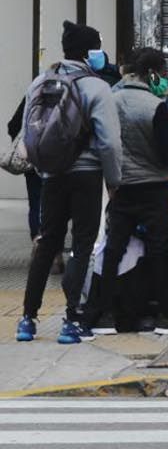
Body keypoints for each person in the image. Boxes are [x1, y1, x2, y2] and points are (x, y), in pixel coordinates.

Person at [16, 21, 121, 344]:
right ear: (91, 52)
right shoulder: (95, 86)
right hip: (87, 176)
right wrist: (114, 180)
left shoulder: (40, 81)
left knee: (47, 243)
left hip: (51, 176)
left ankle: (27, 320)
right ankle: (71, 321)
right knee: (82, 245)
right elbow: (110, 143)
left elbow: (27, 130)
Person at [84, 48, 168, 336]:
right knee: (159, 249)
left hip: (121, 189)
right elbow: (167, 154)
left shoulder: (112, 100)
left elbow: (103, 142)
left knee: (113, 249)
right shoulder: (155, 105)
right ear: (153, 73)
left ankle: (104, 313)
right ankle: (161, 312)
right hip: (154, 189)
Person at [8, 99, 60, 275]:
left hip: (33, 161)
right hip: (57, 163)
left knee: (36, 203)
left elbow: (12, 125)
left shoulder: (33, 95)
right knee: (57, 207)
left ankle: (38, 243)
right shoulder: (68, 95)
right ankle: (55, 254)